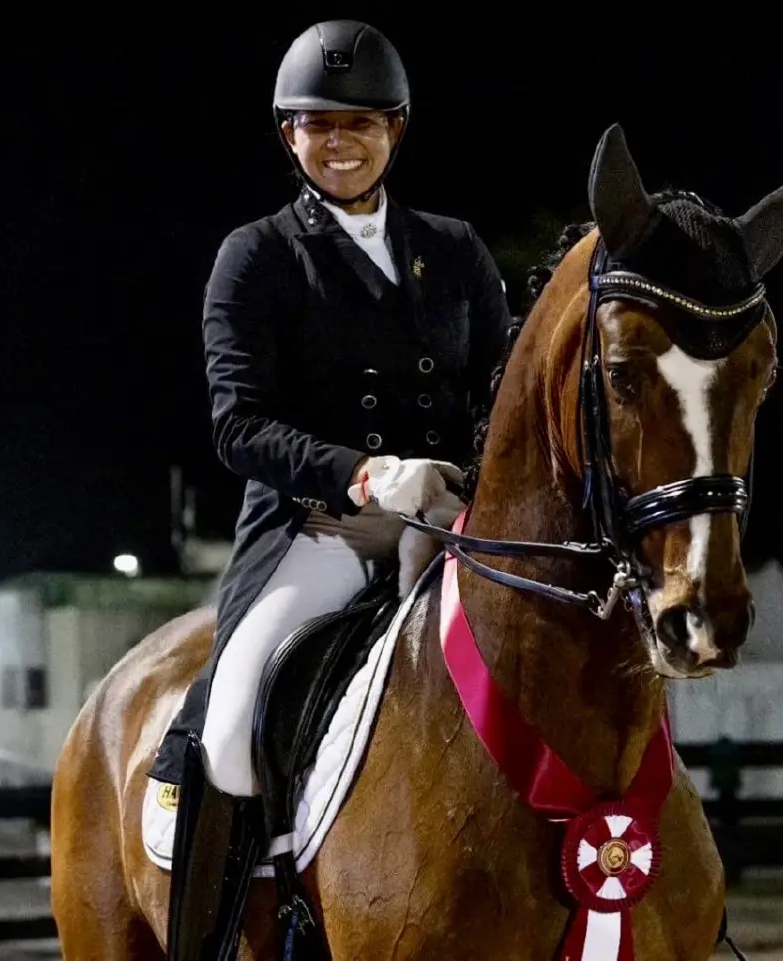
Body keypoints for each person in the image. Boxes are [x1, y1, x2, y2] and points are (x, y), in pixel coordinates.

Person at [146, 19, 512, 958]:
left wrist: (469, 480)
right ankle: (219, 939)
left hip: (453, 528)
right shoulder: (258, 256)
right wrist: (368, 472)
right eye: (320, 124)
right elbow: (238, 425)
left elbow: (500, 393)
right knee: (232, 729)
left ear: (396, 129)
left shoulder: (455, 250)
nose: (341, 142)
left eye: (361, 123)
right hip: (323, 534)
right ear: (290, 134)